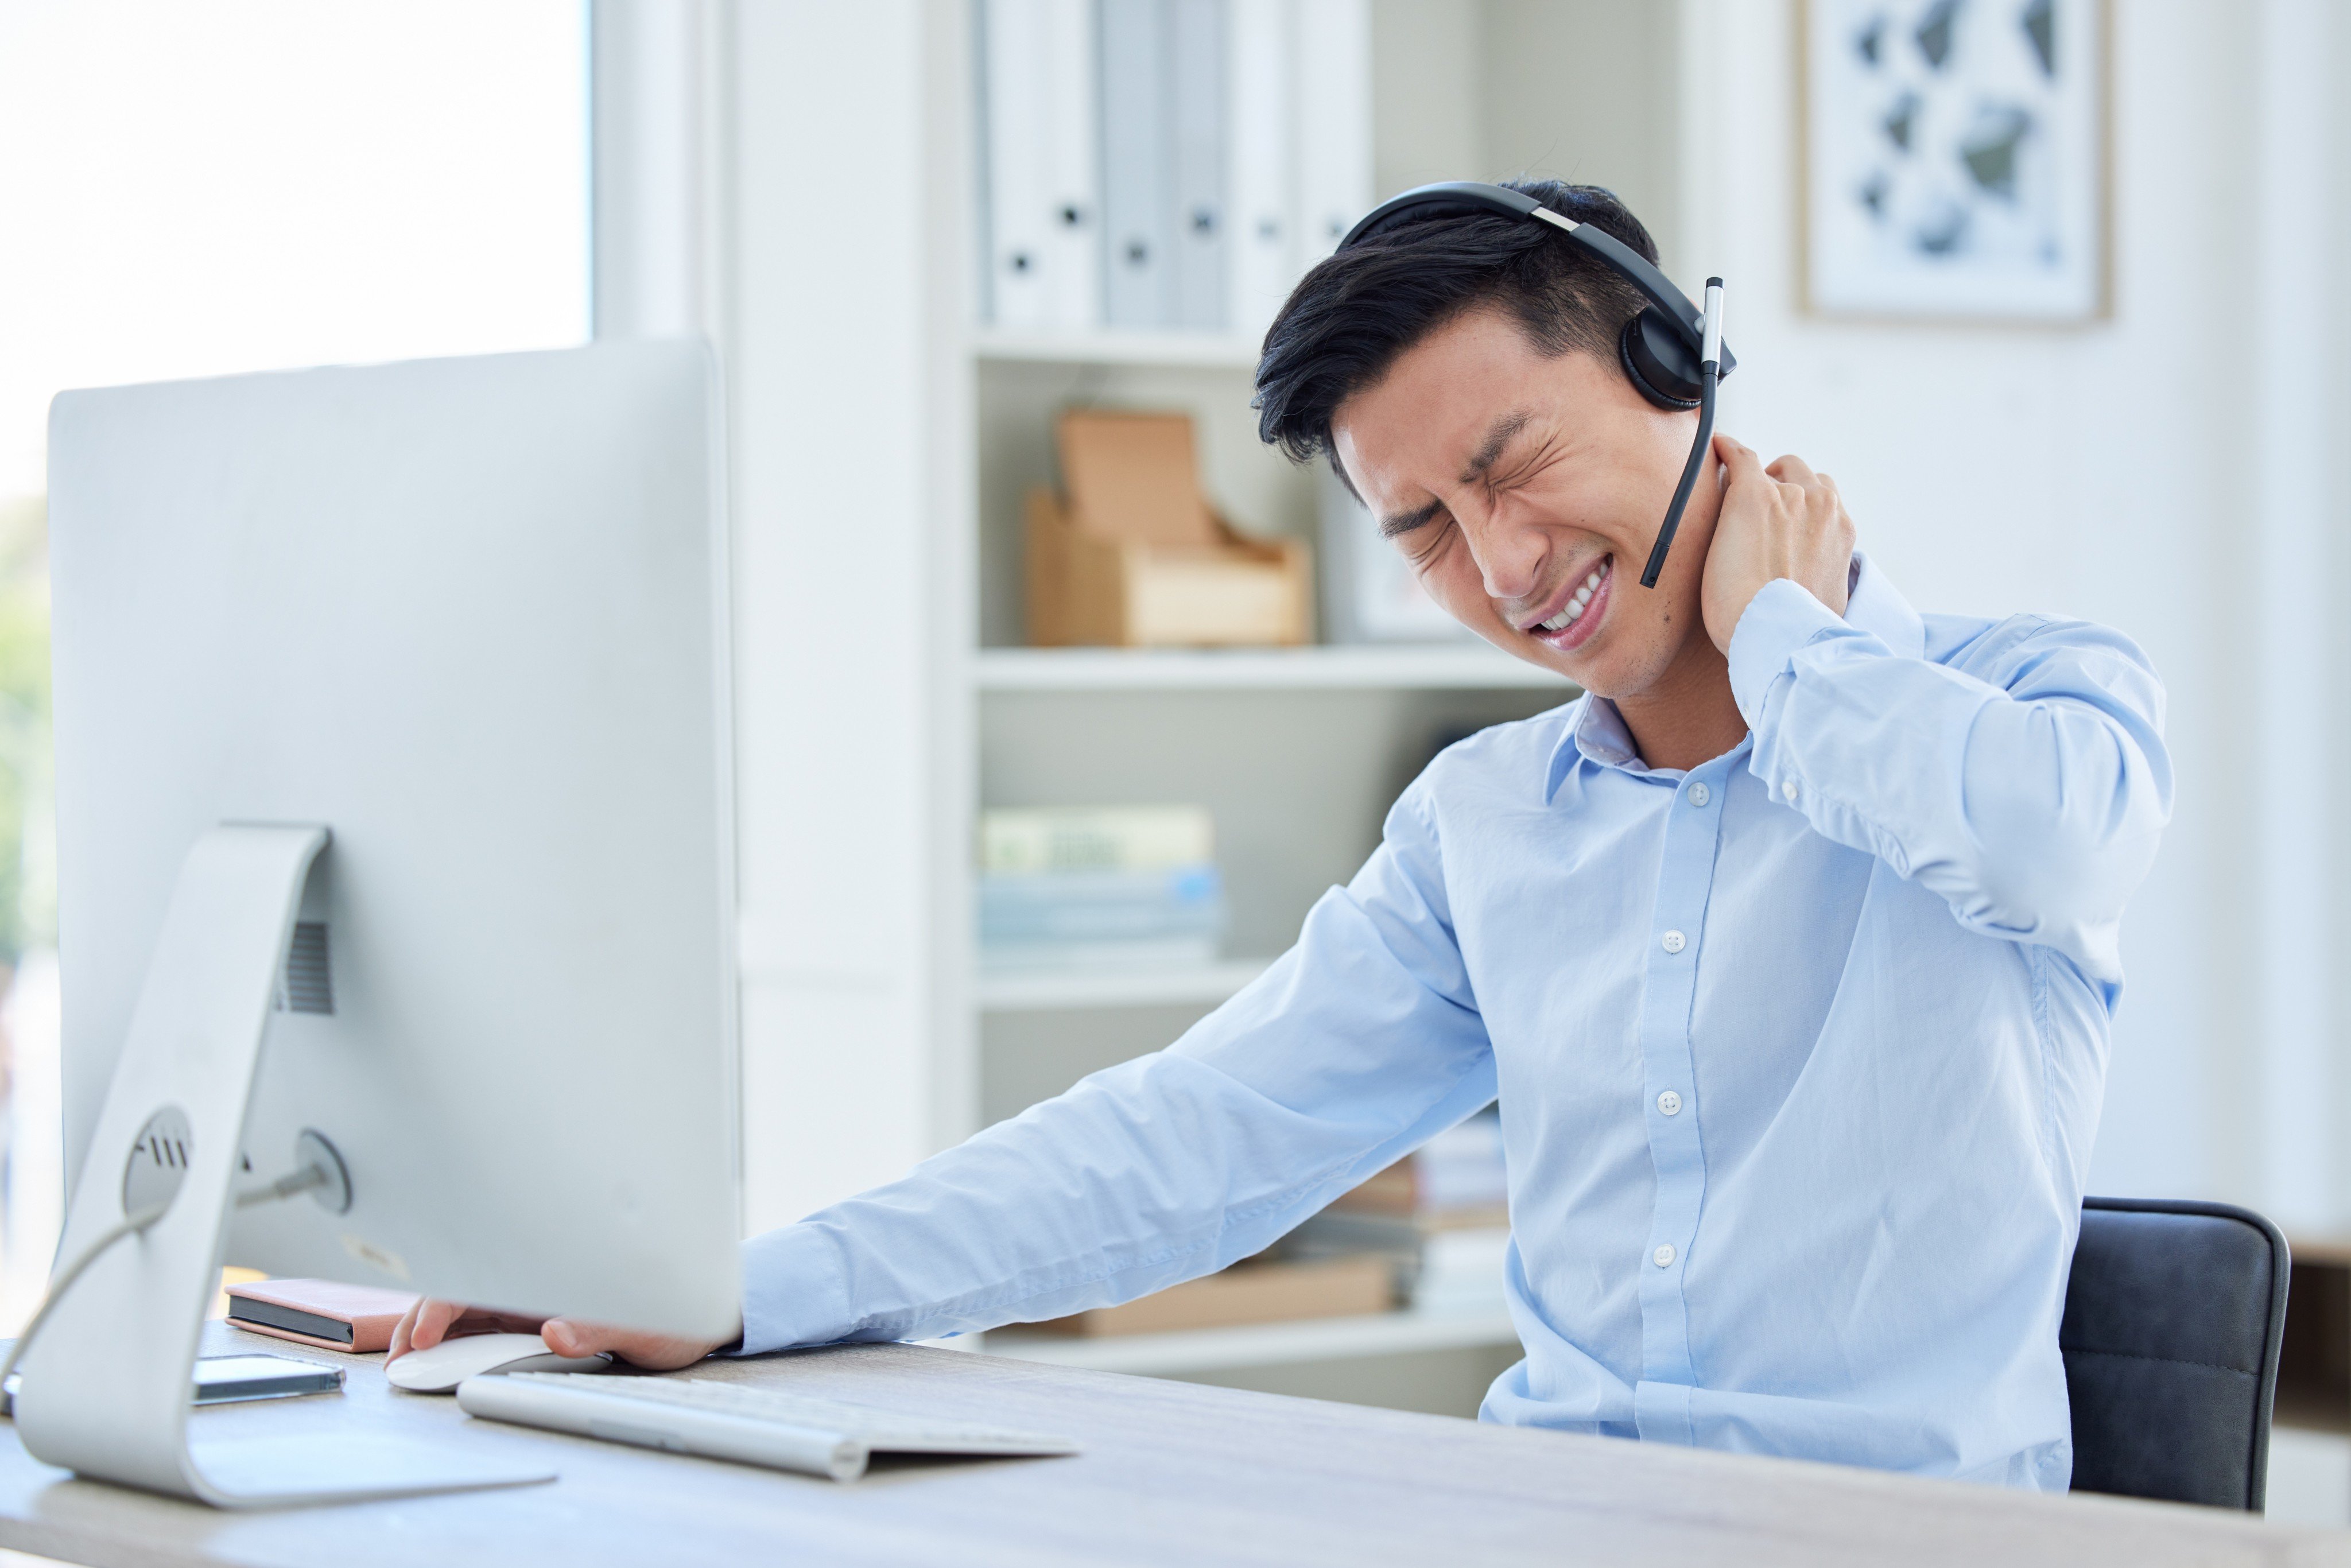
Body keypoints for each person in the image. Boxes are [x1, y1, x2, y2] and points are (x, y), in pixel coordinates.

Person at [391, 180, 2169, 1489]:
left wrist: (1793, 644)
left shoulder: (2032, 702)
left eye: (1517, 461)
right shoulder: (1486, 825)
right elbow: (1190, 1138)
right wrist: (732, 1291)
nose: (1500, 567)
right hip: (1544, 1516)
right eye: (1423, 527)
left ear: (1670, 369)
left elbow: (2051, 855)